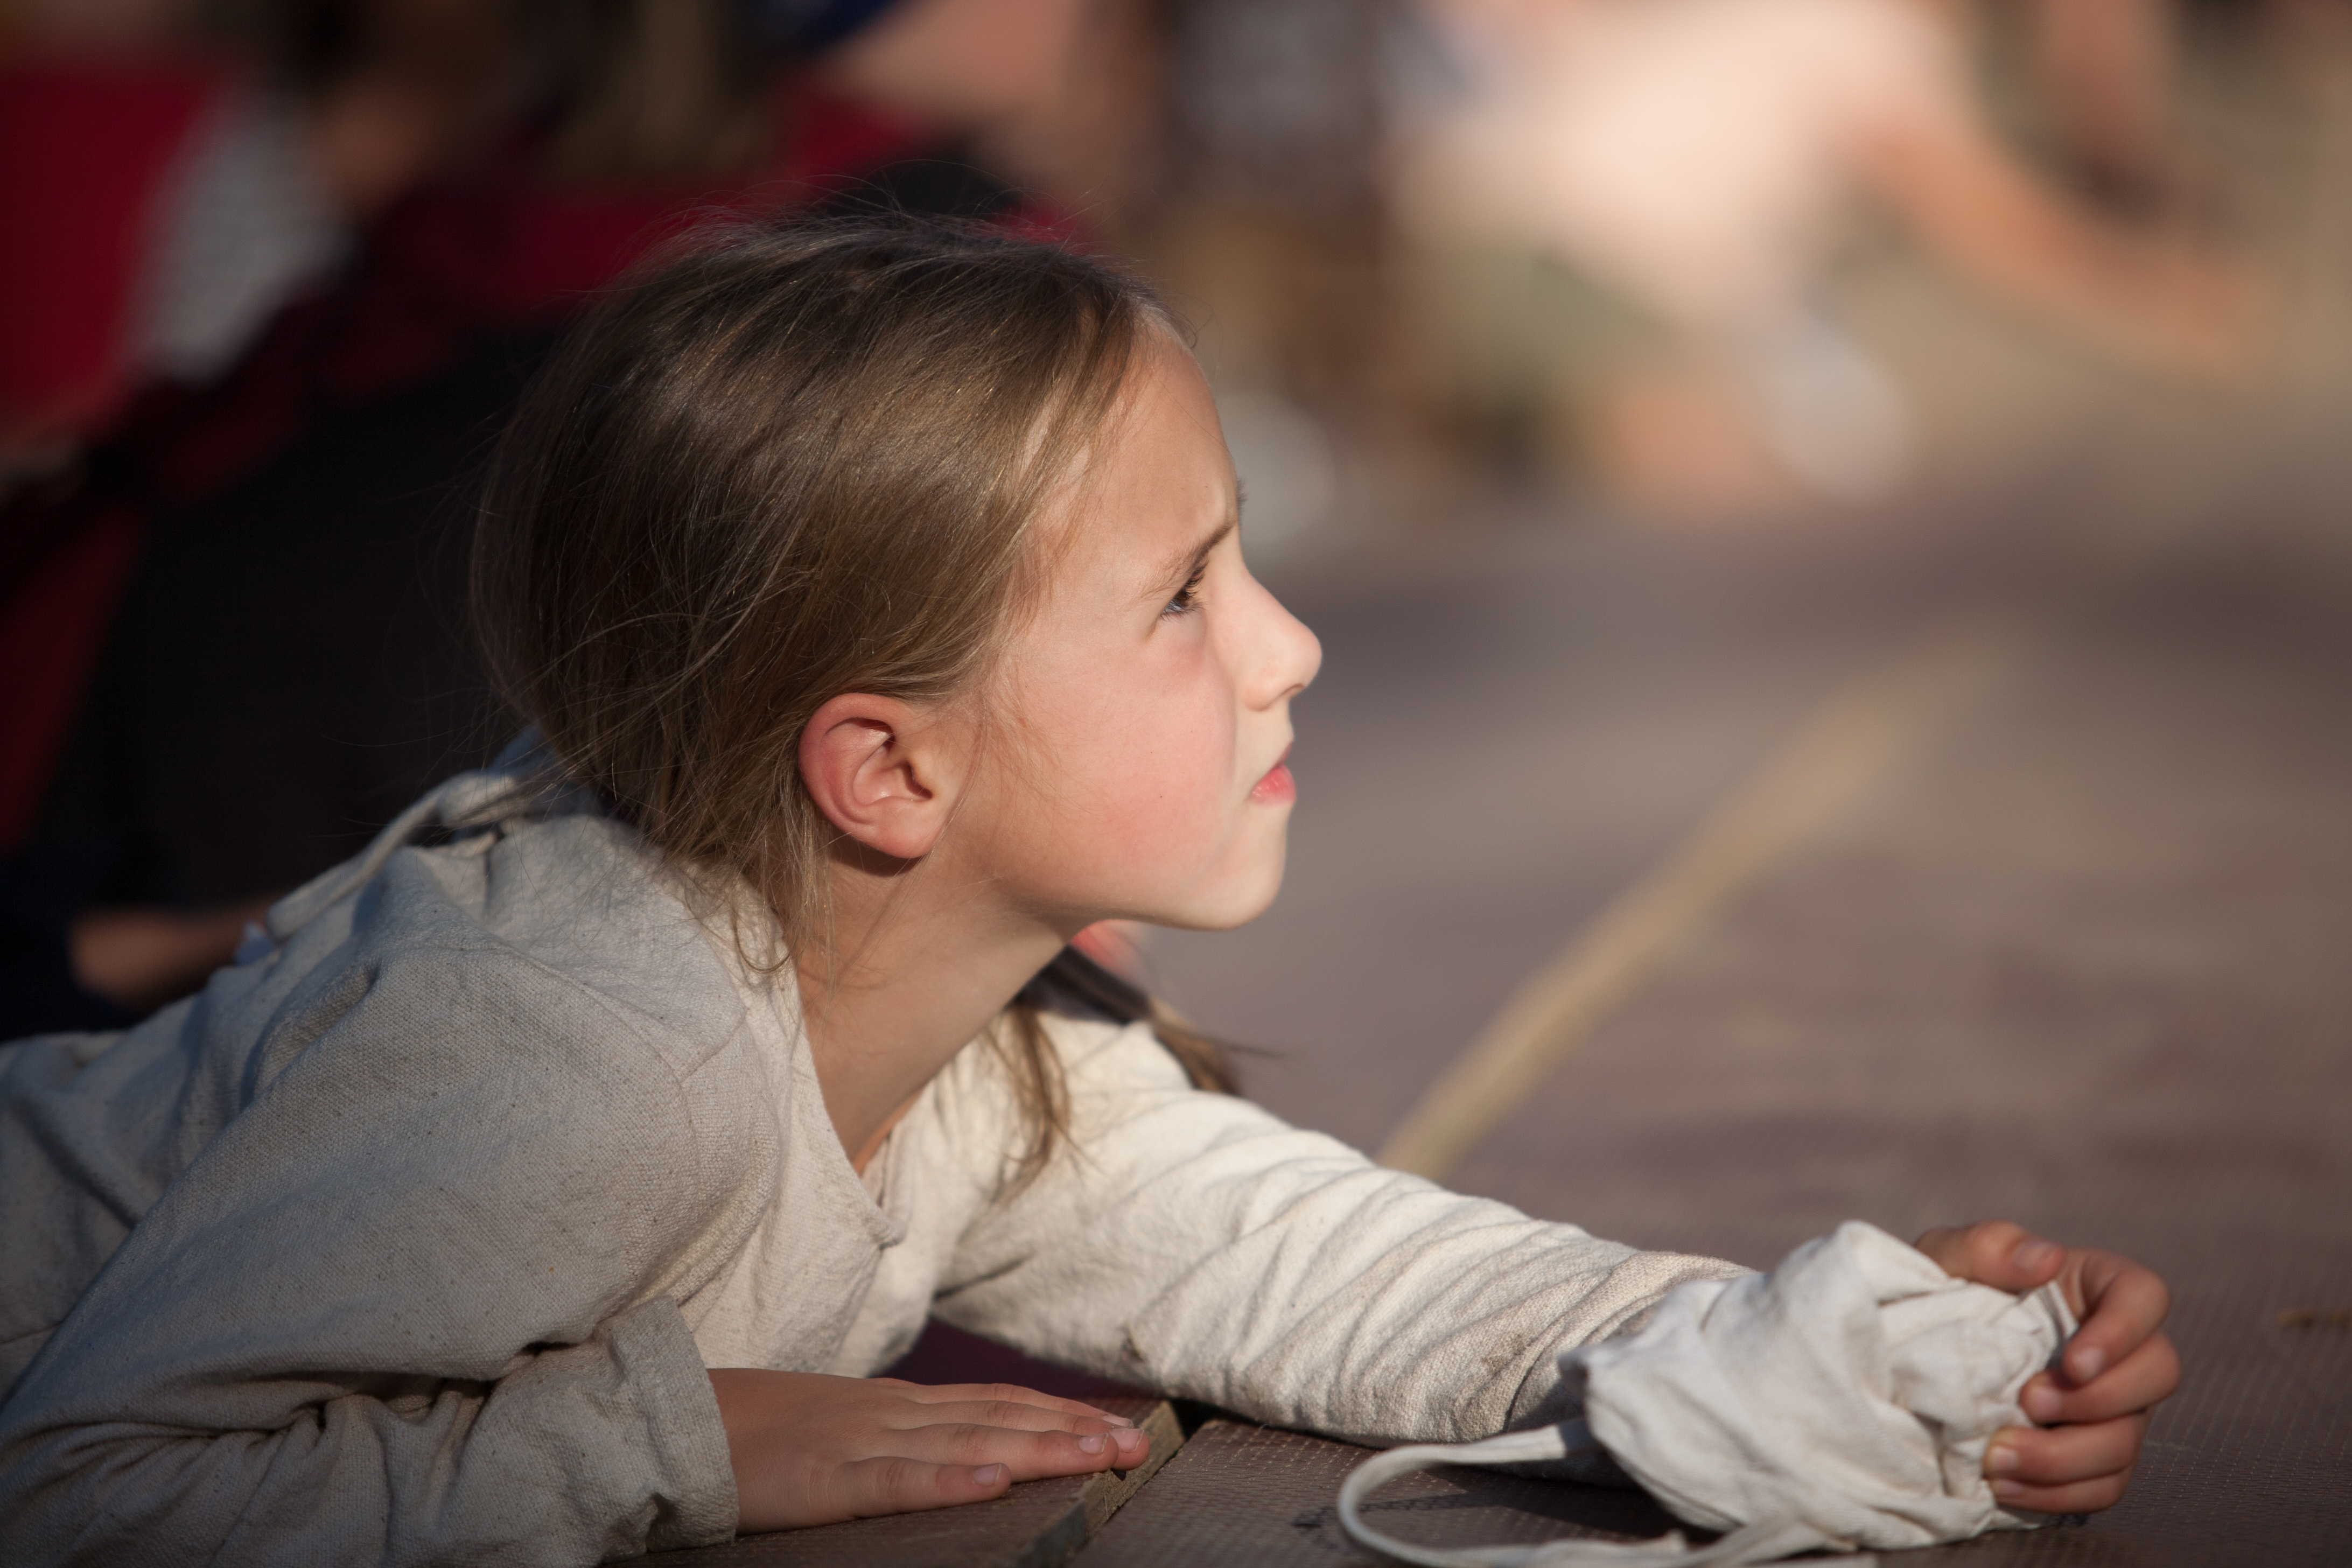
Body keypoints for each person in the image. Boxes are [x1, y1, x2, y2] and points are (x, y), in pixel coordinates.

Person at [0, 217, 2179, 1563]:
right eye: (1183, 597)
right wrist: (663, 1440)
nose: (1289, 646)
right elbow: (77, 1490)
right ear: (889, 768)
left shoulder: (968, 1017)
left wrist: (1789, 1339)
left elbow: (1298, 1260)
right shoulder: (584, 1059)